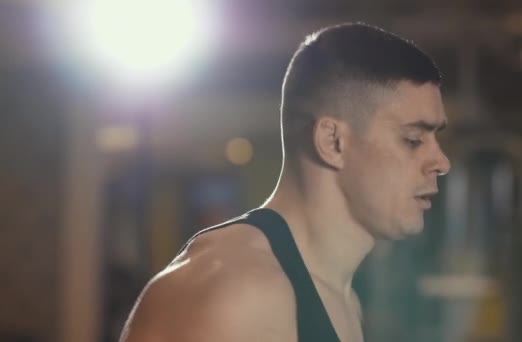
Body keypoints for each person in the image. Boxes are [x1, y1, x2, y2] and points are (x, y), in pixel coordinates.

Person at [119, 22, 450, 342]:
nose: (441, 162)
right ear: (333, 142)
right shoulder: (239, 292)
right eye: (413, 139)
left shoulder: (342, 299)